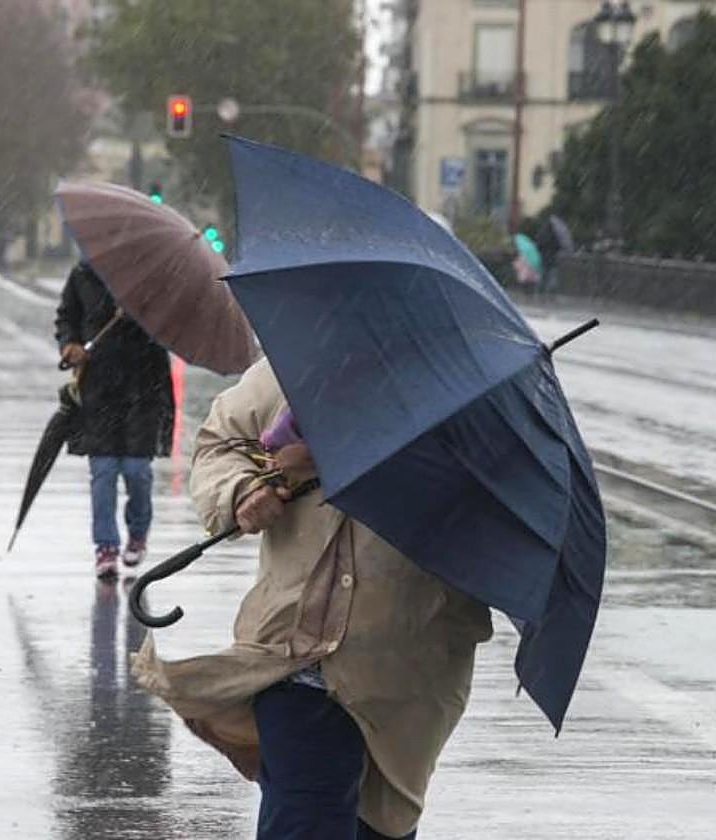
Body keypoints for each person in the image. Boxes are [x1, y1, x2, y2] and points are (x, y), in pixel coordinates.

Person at [132, 360, 493, 840]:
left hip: (408, 666)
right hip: (293, 655)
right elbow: (219, 446)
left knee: (381, 825)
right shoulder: (293, 368)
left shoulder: (466, 391)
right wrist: (245, 489)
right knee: (305, 816)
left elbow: (499, 519)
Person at [55, 261, 174, 579]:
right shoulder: (83, 273)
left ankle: (138, 533)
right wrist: (70, 344)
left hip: (143, 389)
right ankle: (105, 547)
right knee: (103, 472)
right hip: (99, 390)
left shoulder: (151, 276)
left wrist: (138, 312)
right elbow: (67, 316)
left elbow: (170, 322)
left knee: (137, 472)